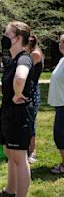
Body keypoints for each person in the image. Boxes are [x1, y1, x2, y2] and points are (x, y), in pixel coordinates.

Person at [0, 21, 35, 197]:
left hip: (19, 114)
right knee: (10, 153)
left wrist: (17, 93)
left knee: (20, 157)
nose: (4, 38)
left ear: (18, 38)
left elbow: (20, 78)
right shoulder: (12, 60)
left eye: (7, 35)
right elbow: (14, 82)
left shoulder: (24, 58)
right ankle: (9, 191)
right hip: (9, 112)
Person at [24, 35, 44, 163]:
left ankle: (32, 151)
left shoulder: (35, 54)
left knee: (31, 122)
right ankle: (26, 149)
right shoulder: (28, 54)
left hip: (32, 91)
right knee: (25, 121)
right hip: (27, 90)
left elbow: (24, 70)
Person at [48, 34, 64, 174]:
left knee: (60, 135)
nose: (61, 44)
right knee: (60, 135)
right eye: (60, 42)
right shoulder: (62, 60)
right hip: (60, 103)